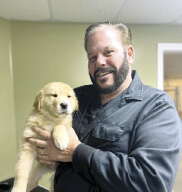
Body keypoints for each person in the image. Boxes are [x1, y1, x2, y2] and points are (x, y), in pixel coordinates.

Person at [28, 22, 182, 192]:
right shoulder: (76, 97)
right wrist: (46, 153)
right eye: (92, 57)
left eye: (108, 52)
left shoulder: (156, 106)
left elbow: (152, 183)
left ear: (129, 54)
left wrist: (76, 152)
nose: (99, 62)